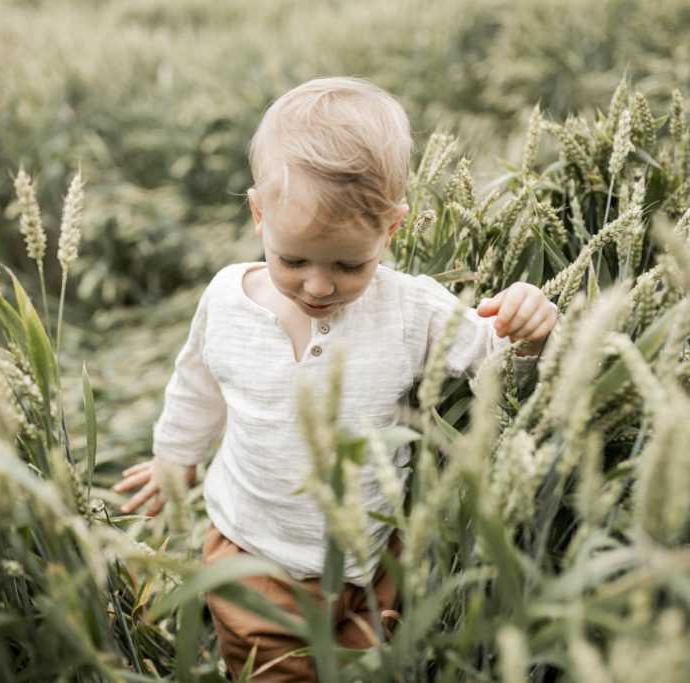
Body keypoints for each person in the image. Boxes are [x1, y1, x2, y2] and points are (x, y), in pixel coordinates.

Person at [113, 76, 557, 681]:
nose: (319, 286)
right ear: (259, 216)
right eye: (293, 260)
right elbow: (197, 381)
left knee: (371, 670)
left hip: (375, 561)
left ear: (392, 229)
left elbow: (493, 361)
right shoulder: (226, 300)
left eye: (351, 264)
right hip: (254, 559)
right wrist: (175, 457)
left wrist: (527, 330)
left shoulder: (411, 309)